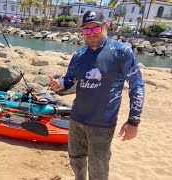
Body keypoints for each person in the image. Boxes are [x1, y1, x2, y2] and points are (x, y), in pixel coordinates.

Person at [49, 10, 144, 180]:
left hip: (102, 124)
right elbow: (69, 81)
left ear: (105, 27)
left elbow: (136, 86)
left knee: (98, 169)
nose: (91, 33)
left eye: (96, 29)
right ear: (82, 31)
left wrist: (133, 121)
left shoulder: (121, 52)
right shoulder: (78, 55)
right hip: (77, 119)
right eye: (87, 30)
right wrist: (59, 85)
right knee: (75, 159)